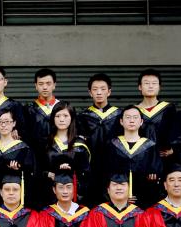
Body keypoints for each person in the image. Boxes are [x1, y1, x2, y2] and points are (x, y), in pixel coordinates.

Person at [105, 105, 163, 208]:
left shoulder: (150, 146)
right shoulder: (112, 145)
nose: (131, 121)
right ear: (121, 121)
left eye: (135, 117)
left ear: (141, 122)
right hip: (117, 199)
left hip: (144, 200)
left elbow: (155, 175)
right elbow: (106, 173)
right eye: (128, 117)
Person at [77, 73, 122, 207]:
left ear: (109, 92)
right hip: (91, 168)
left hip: (113, 166)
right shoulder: (83, 116)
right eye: (95, 89)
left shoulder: (119, 115)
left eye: (103, 89)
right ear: (90, 93)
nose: (99, 92)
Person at [39, 102, 91, 209]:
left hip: (74, 195)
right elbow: (38, 170)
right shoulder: (45, 143)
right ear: (53, 118)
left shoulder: (80, 144)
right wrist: (51, 174)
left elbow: (86, 173)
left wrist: (71, 172)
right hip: (49, 195)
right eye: (58, 116)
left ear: (72, 118)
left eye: (65, 116)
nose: (61, 119)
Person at [0, 108, 36, 210]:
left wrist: (19, 170)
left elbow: (31, 173)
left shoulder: (24, 148)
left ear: (14, 123)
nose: (3, 125)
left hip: (15, 196)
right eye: (0, 122)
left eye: (7, 121)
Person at [135, 69, 181, 162]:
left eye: (154, 83)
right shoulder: (133, 111)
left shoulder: (168, 109)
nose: (150, 86)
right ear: (140, 87)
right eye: (146, 83)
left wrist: (173, 149)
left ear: (159, 87)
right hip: (139, 159)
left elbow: (176, 134)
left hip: (163, 159)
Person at [22, 68, 65, 151]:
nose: (45, 87)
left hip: (59, 153)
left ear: (54, 85)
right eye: (41, 84)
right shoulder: (28, 109)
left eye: (48, 83)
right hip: (36, 154)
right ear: (36, 86)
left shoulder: (64, 108)